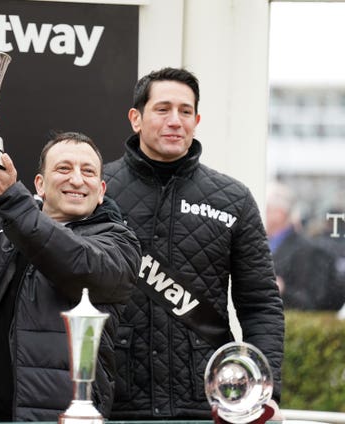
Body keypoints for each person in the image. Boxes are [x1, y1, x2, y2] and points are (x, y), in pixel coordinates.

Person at [0, 99, 142, 422]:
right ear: (40, 184)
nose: (76, 179)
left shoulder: (119, 242)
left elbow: (77, 264)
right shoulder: (4, 224)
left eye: (87, 172)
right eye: (63, 168)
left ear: (101, 191)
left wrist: (10, 198)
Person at [103, 67, 285, 420]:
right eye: (163, 109)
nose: (175, 121)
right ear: (135, 118)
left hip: (208, 402)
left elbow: (261, 304)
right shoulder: (97, 190)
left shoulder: (233, 198)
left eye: (185, 112)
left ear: (196, 119)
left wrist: (265, 391)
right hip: (113, 400)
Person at [266, 181, 344, 310]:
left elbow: (314, 302)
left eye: (265, 209)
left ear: (279, 214)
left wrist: (283, 290)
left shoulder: (307, 250)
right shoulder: (262, 243)